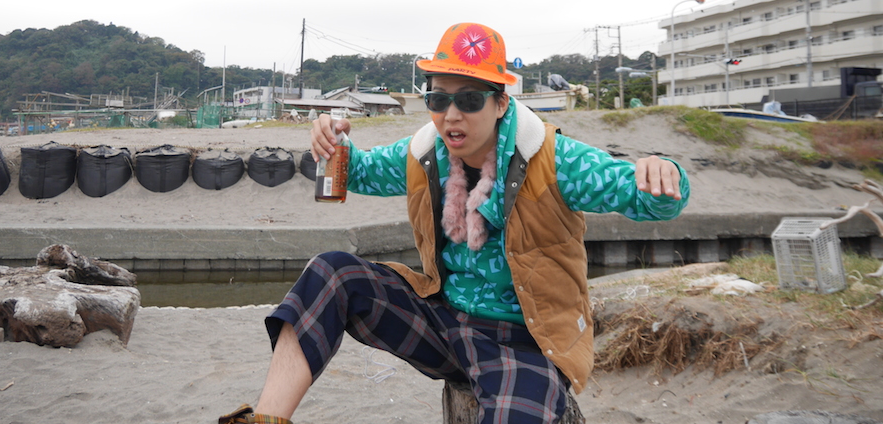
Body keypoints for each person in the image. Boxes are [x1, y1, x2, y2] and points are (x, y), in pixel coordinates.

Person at [220, 22, 689, 424]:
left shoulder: (553, 158)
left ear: (500, 103)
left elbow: (645, 198)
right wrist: (332, 142)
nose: (451, 114)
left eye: (469, 98)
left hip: (524, 338)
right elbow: (359, 171)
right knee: (332, 274)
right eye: (438, 98)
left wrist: (665, 176)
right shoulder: (425, 154)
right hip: (442, 320)